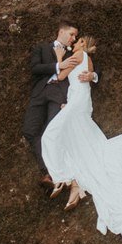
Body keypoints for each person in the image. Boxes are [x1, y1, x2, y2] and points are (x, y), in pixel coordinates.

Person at [40, 35, 122, 244]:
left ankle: (61, 176)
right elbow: (84, 78)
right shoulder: (88, 59)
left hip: (77, 102)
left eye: (76, 41)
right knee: (77, 138)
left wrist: (59, 56)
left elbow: (60, 77)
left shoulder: (78, 55)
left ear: (81, 44)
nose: (73, 44)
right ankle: (73, 181)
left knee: (50, 135)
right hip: (80, 102)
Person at [23, 21, 81, 187]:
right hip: (40, 92)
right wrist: (58, 65)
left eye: (75, 36)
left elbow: (91, 66)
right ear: (61, 31)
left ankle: (55, 175)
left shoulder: (74, 54)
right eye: (71, 34)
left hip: (59, 95)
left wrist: (92, 75)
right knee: (30, 130)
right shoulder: (41, 48)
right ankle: (49, 171)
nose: (73, 38)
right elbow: (35, 68)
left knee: (53, 132)